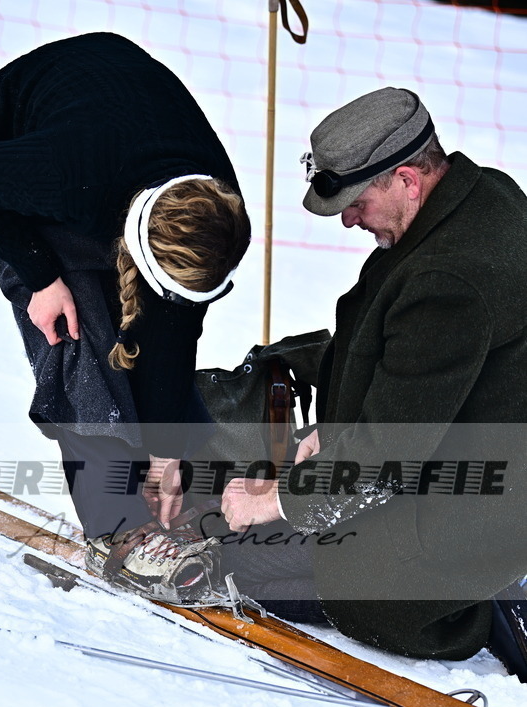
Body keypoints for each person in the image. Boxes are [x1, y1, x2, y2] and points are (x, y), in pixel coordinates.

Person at [218, 86, 527, 674]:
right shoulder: (479, 196)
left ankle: (497, 604)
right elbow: (406, 362)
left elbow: (388, 455)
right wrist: (328, 431)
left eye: (357, 201)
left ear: (407, 179)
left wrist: (277, 502)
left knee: (349, 587)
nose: (351, 219)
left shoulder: (449, 279)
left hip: (493, 495)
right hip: (472, 439)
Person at [0, 32, 250, 602]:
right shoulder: (64, 175)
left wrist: (166, 452)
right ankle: (115, 527)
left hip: (122, 131)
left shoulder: (219, 211)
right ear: (135, 246)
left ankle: (178, 485)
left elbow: (175, 326)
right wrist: (41, 278)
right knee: (80, 337)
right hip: (21, 141)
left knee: (150, 334)